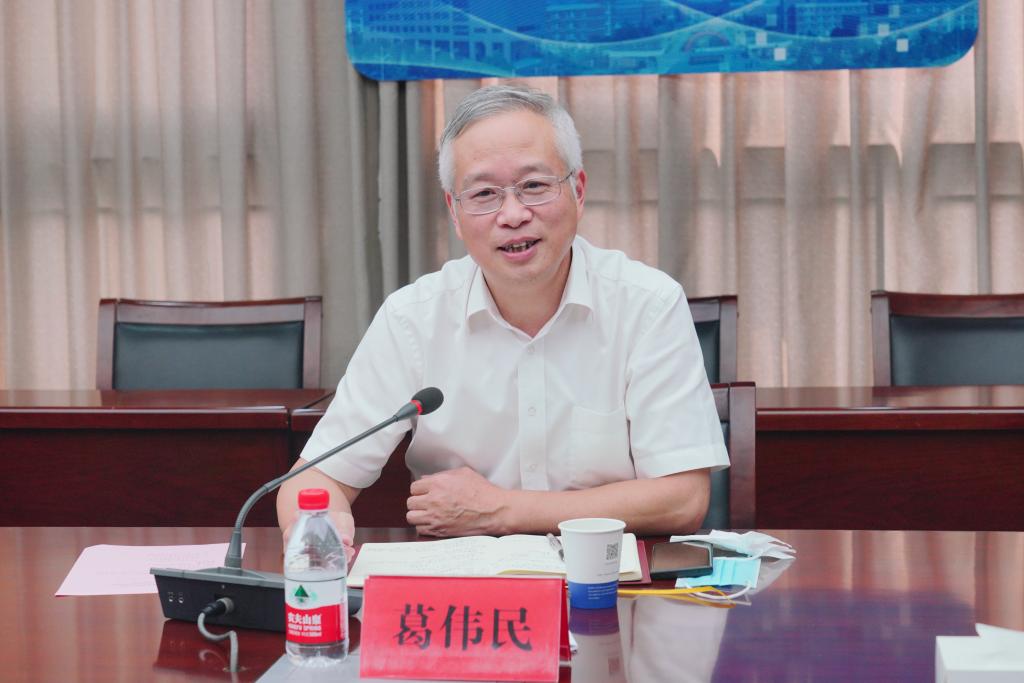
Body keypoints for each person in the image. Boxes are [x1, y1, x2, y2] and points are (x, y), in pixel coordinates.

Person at [277, 84, 728, 549]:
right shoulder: (412, 320)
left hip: (606, 580)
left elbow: (683, 499)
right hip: (462, 588)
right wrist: (319, 532)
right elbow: (314, 480)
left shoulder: (647, 305)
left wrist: (501, 510)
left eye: (534, 186)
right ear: (455, 212)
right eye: (484, 193)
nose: (512, 215)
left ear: (578, 190)